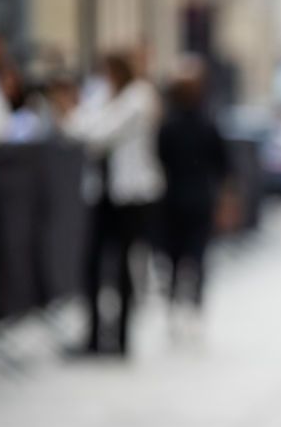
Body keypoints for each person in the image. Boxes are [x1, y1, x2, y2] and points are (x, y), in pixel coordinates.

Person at [55, 51, 165, 356]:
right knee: (92, 264)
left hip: (130, 196)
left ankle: (121, 338)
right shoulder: (106, 95)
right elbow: (82, 126)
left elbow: (98, 133)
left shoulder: (138, 97)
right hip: (103, 194)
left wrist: (70, 114)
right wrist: (73, 115)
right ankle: (93, 335)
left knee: (124, 266)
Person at [156, 55, 231, 339]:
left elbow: (159, 160)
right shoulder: (205, 124)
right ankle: (191, 312)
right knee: (196, 259)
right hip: (196, 200)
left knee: (175, 260)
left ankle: (177, 312)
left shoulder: (169, 125)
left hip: (174, 200)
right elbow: (223, 167)